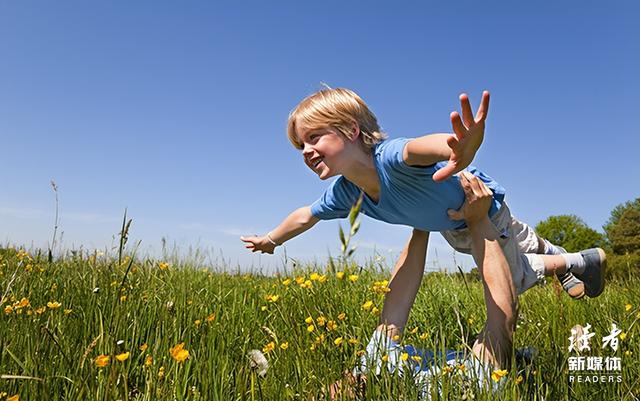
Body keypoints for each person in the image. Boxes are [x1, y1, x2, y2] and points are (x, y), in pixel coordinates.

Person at [241, 87, 606, 305]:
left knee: (510, 281)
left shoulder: (390, 157)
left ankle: (576, 261)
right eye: (299, 145)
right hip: (458, 221)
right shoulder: (345, 193)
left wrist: (457, 149)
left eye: (314, 138)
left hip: (476, 212)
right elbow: (306, 215)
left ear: (351, 130)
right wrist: (272, 239)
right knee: (521, 238)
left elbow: (421, 147)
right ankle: (557, 254)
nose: (305, 150)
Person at [329, 172, 532, 400]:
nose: (338, 385)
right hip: (498, 366)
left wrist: (422, 221)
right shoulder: (466, 389)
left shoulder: (375, 366)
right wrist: (479, 220)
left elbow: (396, 305)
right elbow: (503, 316)